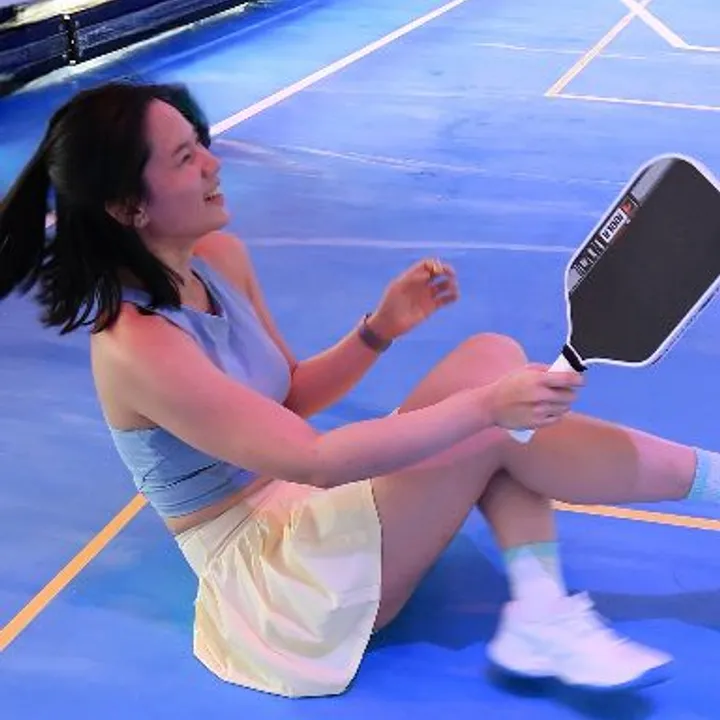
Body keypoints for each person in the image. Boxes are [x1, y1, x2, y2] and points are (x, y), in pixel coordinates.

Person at [1, 81, 717, 699]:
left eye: (200, 144)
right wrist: (484, 408)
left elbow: (288, 399)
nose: (214, 163)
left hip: (302, 505)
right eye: (186, 158)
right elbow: (313, 459)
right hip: (277, 583)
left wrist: (380, 329)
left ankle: (540, 611)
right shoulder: (136, 345)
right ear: (128, 206)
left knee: (491, 356)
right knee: (490, 414)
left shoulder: (216, 256)